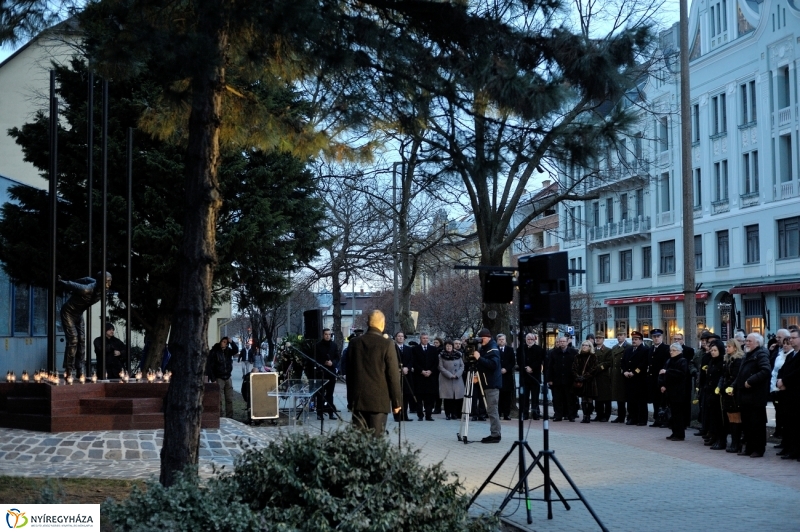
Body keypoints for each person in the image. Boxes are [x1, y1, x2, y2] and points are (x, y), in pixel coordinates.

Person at [345, 310, 402, 435]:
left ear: (368, 323)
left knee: (358, 441)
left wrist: (351, 400)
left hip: (358, 400)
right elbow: (393, 375)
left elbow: (349, 374)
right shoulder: (387, 344)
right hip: (379, 401)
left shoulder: (354, 343)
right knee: (376, 441)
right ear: (382, 324)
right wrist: (397, 402)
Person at [58, 272, 112, 378]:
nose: (108, 285)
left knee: (82, 340)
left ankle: (80, 368)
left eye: (110, 281)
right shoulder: (87, 289)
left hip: (78, 314)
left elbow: (87, 278)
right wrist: (61, 281)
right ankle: (69, 369)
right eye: (106, 282)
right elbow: (71, 285)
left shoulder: (101, 289)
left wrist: (78, 280)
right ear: (100, 282)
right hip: (68, 312)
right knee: (73, 339)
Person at [732, 333, 771, 457]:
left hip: (756, 397)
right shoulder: (747, 355)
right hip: (745, 396)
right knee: (747, 424)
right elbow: (740, 374)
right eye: (746, 340)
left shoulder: (761, 354)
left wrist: (751, 381)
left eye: (749, 341)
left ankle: (758, 449)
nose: (746, 343)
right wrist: (734, 386)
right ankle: (749, 448)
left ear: (757, 343)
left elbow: (765, 370)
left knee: (757, 424)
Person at [472, 328, 502, 443]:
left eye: (483, 338)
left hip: (492, 384)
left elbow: (493, 365)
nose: (481, 340)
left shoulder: (492, 349)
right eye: (480, 338)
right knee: (491, 409)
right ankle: (495, 433)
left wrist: (479, 358)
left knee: (492, 410)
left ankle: (495, 434)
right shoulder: (485, 348)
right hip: (486, 382)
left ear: (489, 338)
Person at [775, 329, 800, 460]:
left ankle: (795, 450)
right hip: (786, 394)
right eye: (790, 338)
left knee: (796, 424)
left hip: (796, 394)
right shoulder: (790, 355)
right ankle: (788, 448)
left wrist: (784, 381)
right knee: (788, 423)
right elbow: (782, 370)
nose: (791, 340)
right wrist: (779, 381)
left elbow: (797, 373)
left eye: (794, 338)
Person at [658, 342, 688, 441]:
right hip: (669, 391)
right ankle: (674, 432)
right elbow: (662, 373)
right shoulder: (669, 361)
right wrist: (662, 384)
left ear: (679, 351)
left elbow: (681, 374)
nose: (671, 352)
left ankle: (680, 434)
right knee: (672, 413)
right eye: (670, 350)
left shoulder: (682, 361)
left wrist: (668, 372)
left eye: (674, 350)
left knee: (678, 414)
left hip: (678, 391)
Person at [721, 338, 744, 453]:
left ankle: (736, 442)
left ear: (735, 347)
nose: (727, 348)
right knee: (730, 418)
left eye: (729, 346)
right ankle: (734, 442)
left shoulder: (738, 360)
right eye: (726, 346)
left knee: (736, 418)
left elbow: (736, 376)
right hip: (727, 391)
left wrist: (730, 386)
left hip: (733, 393)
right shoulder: (727, 359)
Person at [546, 336, 577, 422]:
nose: (562, 343)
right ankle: (558, 415)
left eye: (564, 341)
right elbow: (550, 366)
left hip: (569, 380)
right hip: (557, 380)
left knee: (570, 399)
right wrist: (549, 379)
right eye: (561, 342)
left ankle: (571, 415)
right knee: (557, 399)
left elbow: (576, 366)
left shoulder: (573, 352)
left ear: (567, 342)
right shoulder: (554, 353)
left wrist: (576, 378)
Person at [621, 331, 649, 426]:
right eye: (633, 339)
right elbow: (623, 362)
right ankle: (632, 418)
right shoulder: (628, 350)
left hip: (639, 379)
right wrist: (625, 371)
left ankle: (642, 419)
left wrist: (634, 372)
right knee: (630, 400)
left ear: (641, 340)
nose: (634, 341)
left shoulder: (645, 350)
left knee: (641, 401)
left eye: (636, 339)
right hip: (629, 378)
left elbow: (643, 364)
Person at [207, 336, 239, 418]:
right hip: (219, 377)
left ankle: (230, 416)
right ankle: (220, 416)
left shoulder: (228, 351)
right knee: (219, 399)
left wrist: (232, 342)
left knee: (229, 399)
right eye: (223, 341)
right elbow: (210, 366)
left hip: (227, 377)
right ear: (220, 342)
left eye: (226, 342)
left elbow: (236, 350)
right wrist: (213, 379)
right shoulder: (215, 352)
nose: (224, 343)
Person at [704, 339, 727, 450]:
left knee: (719, 418)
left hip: (719, 393)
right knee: (712, 417)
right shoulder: (711, 361)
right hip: (710, 391)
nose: (712, 352)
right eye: (711, 350)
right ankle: (714, 436)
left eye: (715, 350)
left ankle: (721, 440)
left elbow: (722, 377)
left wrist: (719, 388)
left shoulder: (722, 362)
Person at [517, 332, 544, 420]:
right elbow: (519, 360)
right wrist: (525, 367)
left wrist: (532, 367)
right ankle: (525, 414)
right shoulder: (521, 349)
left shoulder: (539, 349)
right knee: (525, 397)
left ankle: (535, 414)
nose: (529, 341)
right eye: (528, 339)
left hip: (535, 376)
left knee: (535, 397)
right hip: (524, 377)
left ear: (534, 340)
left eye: (531, 339)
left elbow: (539, 360)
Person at [413, 333, 439, 421]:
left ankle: (428, 415)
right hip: (419, 377)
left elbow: (436, 362)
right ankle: (420, 415)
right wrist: (421, 371)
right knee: (419, 398)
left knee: (429, 397)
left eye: (427, 338)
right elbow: (414, 362)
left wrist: (430, 371)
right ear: (420, 339)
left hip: (430, 377)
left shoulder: (433, 349)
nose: (425, 339)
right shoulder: (415, 349)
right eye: (423, 338)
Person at [315, 328, 340, 420]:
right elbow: (316, 358)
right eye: (326, 334)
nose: (328, 336)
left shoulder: (334, 345)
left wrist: (332, 363)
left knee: (330, 394)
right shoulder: (318, 345)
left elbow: (337, 357)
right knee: (320, 394)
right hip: (321, 372)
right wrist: (323, 363)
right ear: (323, 335)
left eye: (329, 334)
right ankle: (319, 413)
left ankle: (331, 412)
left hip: (331, 372)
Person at [672, 332, 696, 429]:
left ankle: (686, 422)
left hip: (685, 380)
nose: (677, 341)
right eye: (675, 339)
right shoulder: (671, 350)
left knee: (686, 402)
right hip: (674, 381)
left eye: (679, 339)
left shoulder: (689, 350)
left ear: (683, 340)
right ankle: (675, 422)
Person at [648, 329, 670, 427]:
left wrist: (664, 381)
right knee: (655, 400)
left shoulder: (666, 348)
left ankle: (664, 420)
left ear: (662, 337)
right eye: (654, 337)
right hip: (653, 379)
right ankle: (657, 419)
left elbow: (666, 364)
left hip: (662, 378)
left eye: (658, 336)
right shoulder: (651, 349)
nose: (656, 338)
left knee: (663, 401)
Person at [438, 340, 465, 420]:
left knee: (456, 397)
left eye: (450, 346)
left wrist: (457, 374)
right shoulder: (441, 355)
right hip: (446, 378)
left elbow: (462, 366)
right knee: (447, 397)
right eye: (447, 346)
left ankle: (454, 413)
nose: (449, 347)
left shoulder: (458, 355)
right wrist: (450, 375)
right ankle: (447, 414)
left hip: (457, 378)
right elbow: (440, 367)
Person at [572, 340, 597, 423]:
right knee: (583, 399)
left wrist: (585, 377)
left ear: (590, 347)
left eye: (586, 345)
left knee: (589, 399)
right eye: (583, 345)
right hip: (580, 381)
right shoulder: (577, 356)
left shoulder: (593, 356)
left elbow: (594, 369)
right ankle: (584, 415)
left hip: (589, 381)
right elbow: (574, 368)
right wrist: (578, 377)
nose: (584, 346)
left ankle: (588, 416)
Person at [394, 332, 416, 422]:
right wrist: (398, 368)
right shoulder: (392, 348)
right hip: (396, 375)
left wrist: (408, 368)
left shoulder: (408, 349)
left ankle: (405, 415)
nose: (400, 338)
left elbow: (411, 360)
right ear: (395, 338)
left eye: (402, 336)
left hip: (407, 375)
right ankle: (397, 415)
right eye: (398, 336)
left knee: (406, 396)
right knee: (397, 397)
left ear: (404, 338)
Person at [610, 331, 630, 423]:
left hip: (624, 374)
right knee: (618, 396)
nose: (619, 337)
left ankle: (628, 416)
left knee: (625, 396)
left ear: (625, 336)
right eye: (618, 335)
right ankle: (620, 416)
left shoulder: (628, 347)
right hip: (616, 374)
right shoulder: (615, 347)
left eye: (621, 335)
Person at [592, 334, 613, 421]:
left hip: (604, 376)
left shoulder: (608, 350)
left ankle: (606, 415)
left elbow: (608, 362)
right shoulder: (593, 350)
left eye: (599, 338)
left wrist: (597, 368)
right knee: (597, 397)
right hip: (595, 376)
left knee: (606, 397)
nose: (598, 339)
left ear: (603, 339)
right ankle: (599, 414)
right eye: (596, 338)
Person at [497, 334, 516, 421]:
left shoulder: (510, 350)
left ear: (505, 340)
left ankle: (506, 414)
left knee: (507, 397)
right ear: (497, 341)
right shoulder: (495, 349)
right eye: (500, 339)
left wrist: (506, 369)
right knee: (498, 396)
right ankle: (498, 413)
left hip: (507, 376)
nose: (501, 341)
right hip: (498, 376)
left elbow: (513, 362)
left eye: (503, 339)